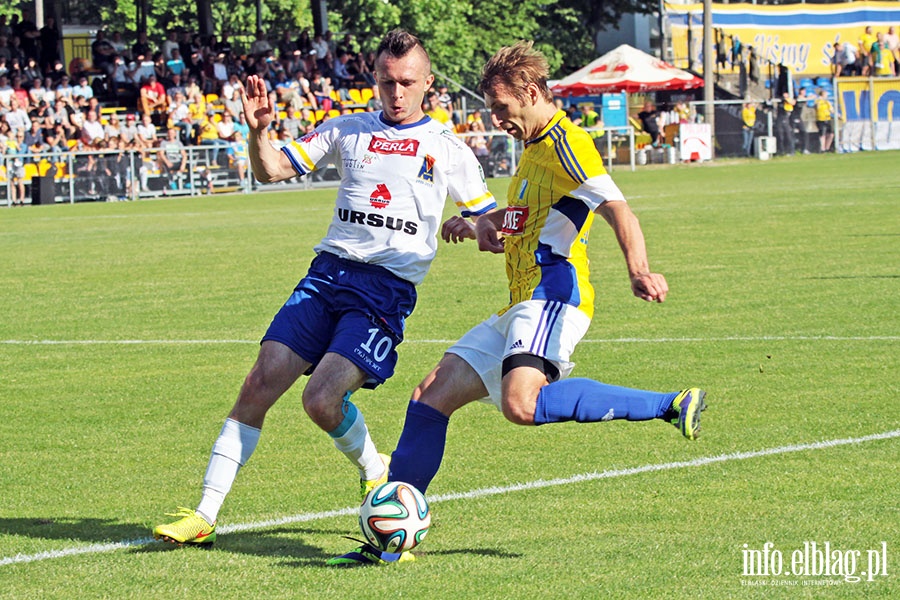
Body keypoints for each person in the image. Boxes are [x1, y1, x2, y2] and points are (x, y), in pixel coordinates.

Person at [329, 40, 706, 567]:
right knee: (429, 397)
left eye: (502, 108)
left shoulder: (568, 143)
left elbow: (619, 209)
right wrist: (481, 222)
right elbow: (528, 218)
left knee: (521, 404)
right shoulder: (532, 148)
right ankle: (390, 541)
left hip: (555, 295)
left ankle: (669, 404)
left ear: (530, 93)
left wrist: (639, 269)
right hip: (521, 301)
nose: (497, 119)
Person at [151, 29, 497, 547]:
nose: (395, 93)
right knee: (258, 383)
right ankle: (204, 514)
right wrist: (257, 131)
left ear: (428, 84)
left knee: (320, 400)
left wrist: (473, 227)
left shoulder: (448, 150)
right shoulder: (346, 130)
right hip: (326, 275)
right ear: (374, 80)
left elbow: (492, 226)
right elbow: (270, 170)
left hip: (384, 291)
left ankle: (373, 467)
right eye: (386, 82)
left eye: (406, 83)